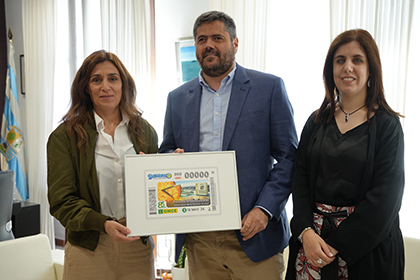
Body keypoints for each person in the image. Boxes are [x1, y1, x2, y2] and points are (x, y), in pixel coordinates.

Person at [159, 11, 298, 280]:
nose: (208, 44)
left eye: (217, 38)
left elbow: (289, 158)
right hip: (200, 240)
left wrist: (265, 210)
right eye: (201, 39)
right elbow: (167, 148)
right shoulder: (176, 99)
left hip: (254, 235)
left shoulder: (268, 88)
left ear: (235, 43)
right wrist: (170, 159)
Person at [286, 29, 405, 280]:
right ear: (331, 69)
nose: (347, 67)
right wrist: (306, 231)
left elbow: (387, 196)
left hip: (366, 248)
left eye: (357, 60)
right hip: (312, 244)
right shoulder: (317, 120)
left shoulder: (387, 125)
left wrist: (337, 243)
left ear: (371, 68)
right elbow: (300, 179)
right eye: (340, 60)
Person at [47, 50, 158, 280]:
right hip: (89, 249)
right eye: (96, 79)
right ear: (86, 88)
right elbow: (61, 202)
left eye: (113, 78)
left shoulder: (144, 131)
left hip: (136, 247)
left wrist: (174, 168)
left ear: (123, 85)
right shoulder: (64, 137)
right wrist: (103, 224)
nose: (105, 86)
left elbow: (155, 187)